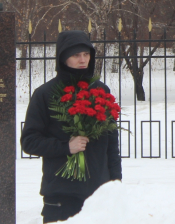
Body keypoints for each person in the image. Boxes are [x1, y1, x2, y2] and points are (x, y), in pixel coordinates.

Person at [21, 30, 122, 223]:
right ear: (63, 58)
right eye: (76, 55)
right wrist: (66, 146)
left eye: (86, 54)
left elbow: (111, 144)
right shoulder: (45, 94)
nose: (82, 60)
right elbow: (29, 141)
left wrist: (116, 184)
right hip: (61, 195)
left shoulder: (100, 91)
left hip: (98, 194)